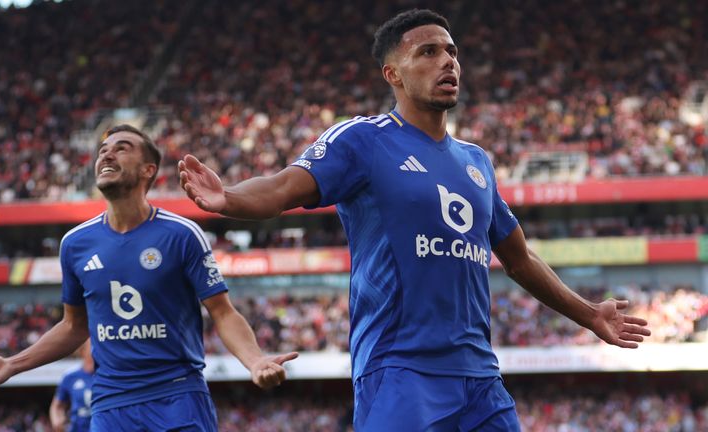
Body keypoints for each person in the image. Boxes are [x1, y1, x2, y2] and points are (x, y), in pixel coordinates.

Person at [177, 9, 651, 431]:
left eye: (452, 52)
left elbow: (520, 259)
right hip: (400, 371)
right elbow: (282, 188)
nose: (448, 62)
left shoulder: (477, 162)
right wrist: (229, 199)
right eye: (428, 52)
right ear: (393, 74)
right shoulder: (362, 140)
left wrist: (588, 314)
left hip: (480, 378)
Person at [0, 124, 297, 431]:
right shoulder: (74, 244)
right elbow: (74, 326)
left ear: (148, 171)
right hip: (111, 405)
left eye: (122, 148)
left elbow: (223, 311)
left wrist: (254, 361)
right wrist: (12, 365)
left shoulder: (182, 235)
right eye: (103, 150)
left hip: (178, 397)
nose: (107, 155)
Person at [50, 341, 94, 432]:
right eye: (92, 346)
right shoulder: (70, 376)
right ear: (82, 351)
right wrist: (57, 421)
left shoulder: (107, 375)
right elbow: (57, 406)